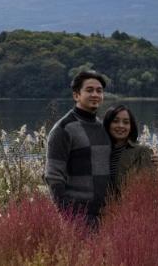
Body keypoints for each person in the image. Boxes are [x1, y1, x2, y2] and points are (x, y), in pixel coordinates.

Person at [45, 70, 112, 226]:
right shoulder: (63, 129)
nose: (95, 94)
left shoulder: (103, 127)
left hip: (107, 214)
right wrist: (67, 213)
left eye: (99, 91)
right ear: (76, 95)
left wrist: (148, 159)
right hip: (79, 216)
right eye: (89, 90)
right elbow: (53, 176)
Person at [103, 105, 155, 194]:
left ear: (131, 126)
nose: (121, 126)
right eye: (115, 121)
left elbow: (150, 187)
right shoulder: (99, 151)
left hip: (130, 206)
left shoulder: (142, 152)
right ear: (108, 124)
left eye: (126, 122)